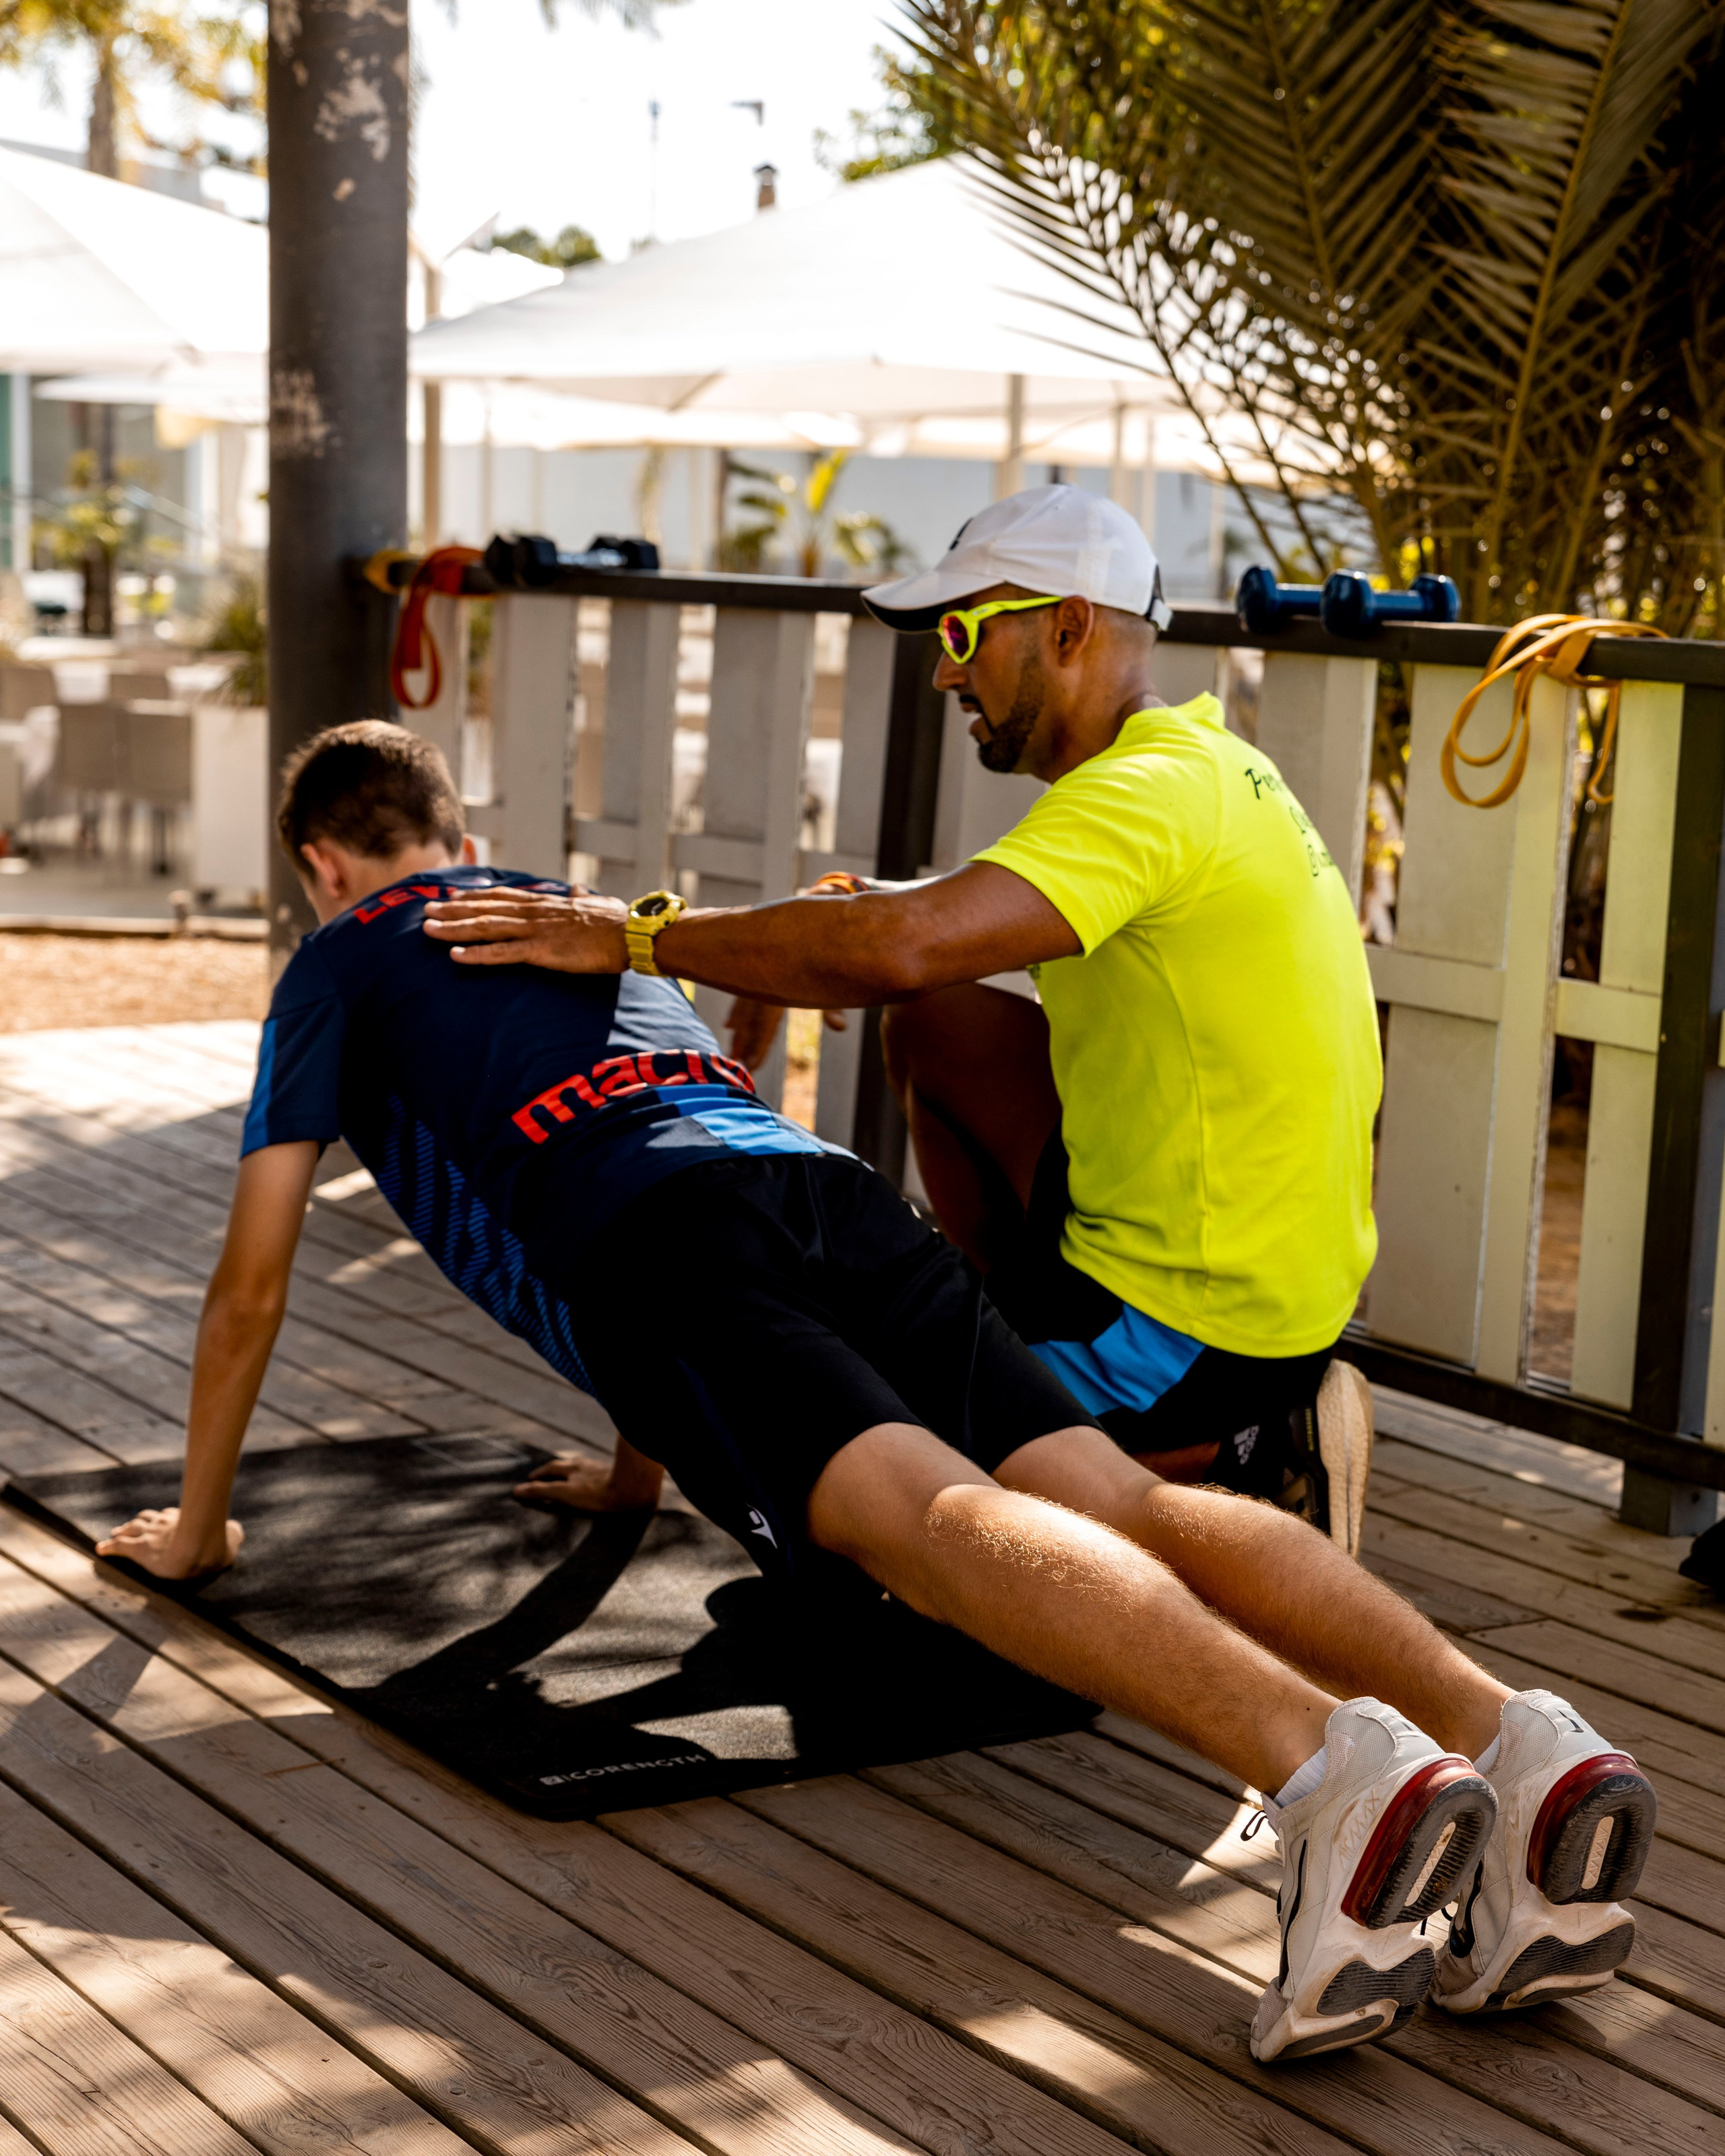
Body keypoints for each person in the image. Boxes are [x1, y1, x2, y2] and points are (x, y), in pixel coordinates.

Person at [100, 721, 1656, 2060]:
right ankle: (1518, 1737)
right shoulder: (570, 925)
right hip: (822, 1193)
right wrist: (638, 1473)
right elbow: (684, 1105)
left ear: (321, 861)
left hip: (659, 1246)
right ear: (456, 835)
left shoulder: (339, 962)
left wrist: (203, 1530)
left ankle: (1333, 1766)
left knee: (920, 1523)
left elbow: (254, 1279)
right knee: (1117, 1494)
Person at [419, 484, 1383, 1552]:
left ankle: (1235, 1460)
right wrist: (835, 923)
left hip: (1198, 1322)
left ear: (1068, 626)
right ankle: (1028, 1348)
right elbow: (919, 942)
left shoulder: (1143, 795)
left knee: (862, 1493)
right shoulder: (1203, 767)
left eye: (964, 631)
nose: (944, 669)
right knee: (935, 1021)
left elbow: (900, 946)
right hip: (1248, 1264)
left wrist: (634, 936)